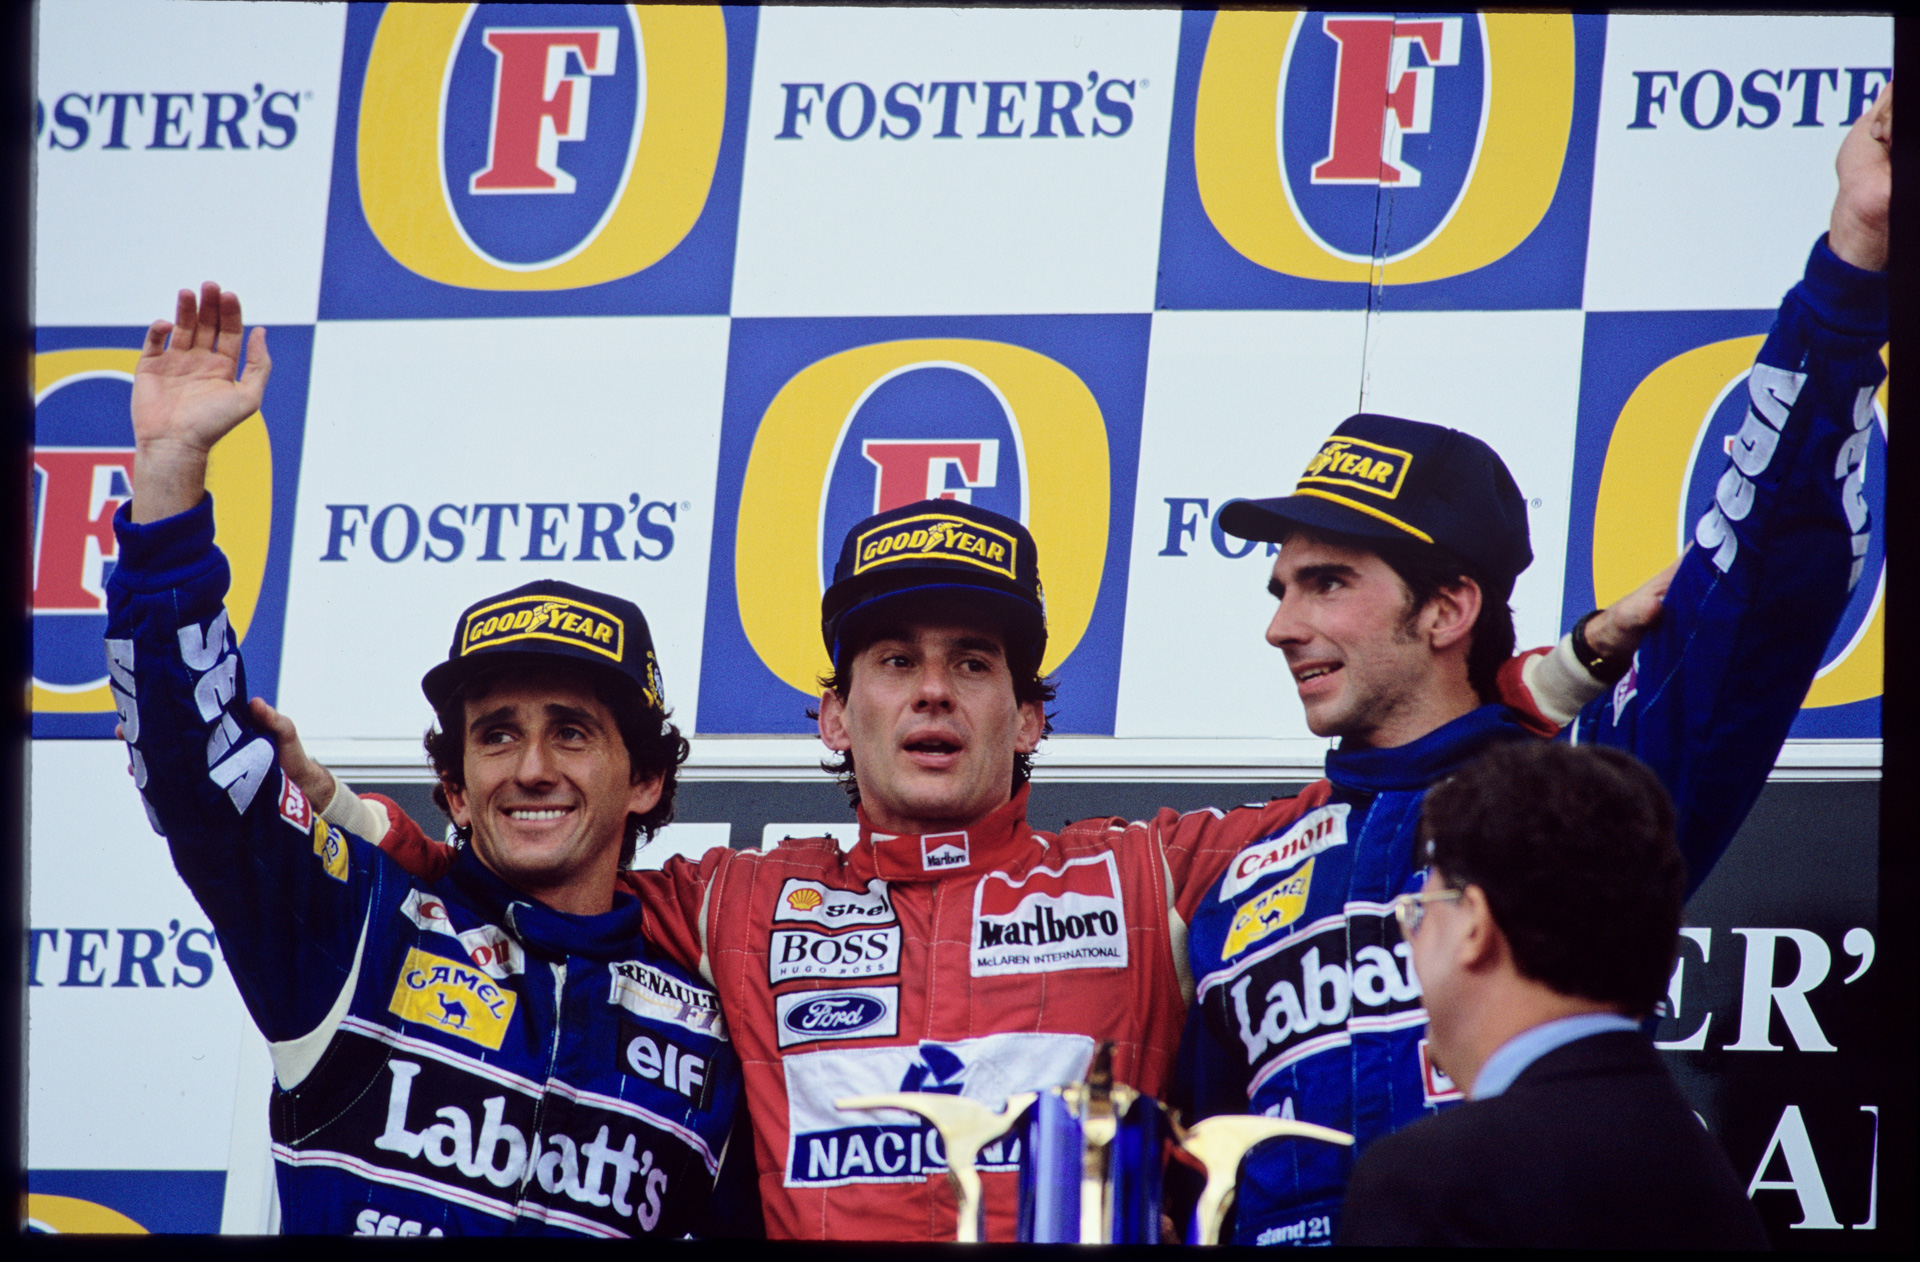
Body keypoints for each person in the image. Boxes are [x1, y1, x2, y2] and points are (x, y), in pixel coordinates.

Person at [316, 494, 1655, 1240]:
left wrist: (1573, 663)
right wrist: (336, 808)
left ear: (1032, 717)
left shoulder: (1149, 875)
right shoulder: (734, 898)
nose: (933, 691)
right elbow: (520, 858)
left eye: (973, 661)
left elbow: (1390, 780)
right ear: (833, 715)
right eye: (894, 660)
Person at [1174, 83, 1891, 1245]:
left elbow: (1765, 582)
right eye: (1280, 589)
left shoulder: (1580, 799)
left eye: (1327, 583)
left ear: (1450, 606)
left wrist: (1853, 261)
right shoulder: (1238, 879)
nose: (1282, 625)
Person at [105, 284, 741, 1237]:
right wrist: (169, 477)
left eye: (572, 732)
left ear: (645, 779)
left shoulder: (709, 1028)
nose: (531, 767)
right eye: (496, 735)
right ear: (455, 786)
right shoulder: (357, 924)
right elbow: (197, 768)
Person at [1337, 741, 1768, 1248]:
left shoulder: (1428, 1183)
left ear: (1474, 925)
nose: (1411, 942)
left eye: (1419, 913)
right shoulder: (1705, 1178)